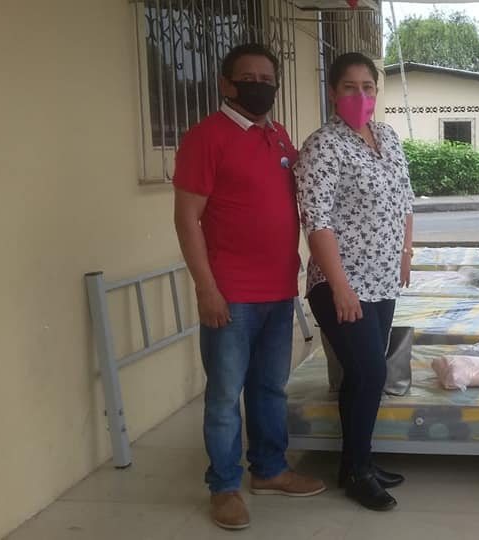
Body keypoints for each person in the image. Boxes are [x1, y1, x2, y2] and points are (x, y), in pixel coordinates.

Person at [173, 43, 325, 531]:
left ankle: (270, 470)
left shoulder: (278, 135)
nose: (259, 86)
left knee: (269, 388)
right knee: (224, 397)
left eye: (267, 79)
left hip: (278, 291)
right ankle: (224, 486)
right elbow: (187, 220)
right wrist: (206, 289)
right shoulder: (205, 138)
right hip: (231, 295)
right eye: (248, 78)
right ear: (226, 84)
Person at [296, 52, 415, 512]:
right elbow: (317, 220)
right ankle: (359, 472)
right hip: (341, 284)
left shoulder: (387, 136)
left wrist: (405, 253)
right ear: (332, 92)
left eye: (368, 87)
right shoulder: (322, 146)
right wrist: (340, 286)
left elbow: (405, 200)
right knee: (370, 372)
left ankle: (355, 463)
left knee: (360, 374)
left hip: (383, 280)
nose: (360, 95)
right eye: (350, 87)